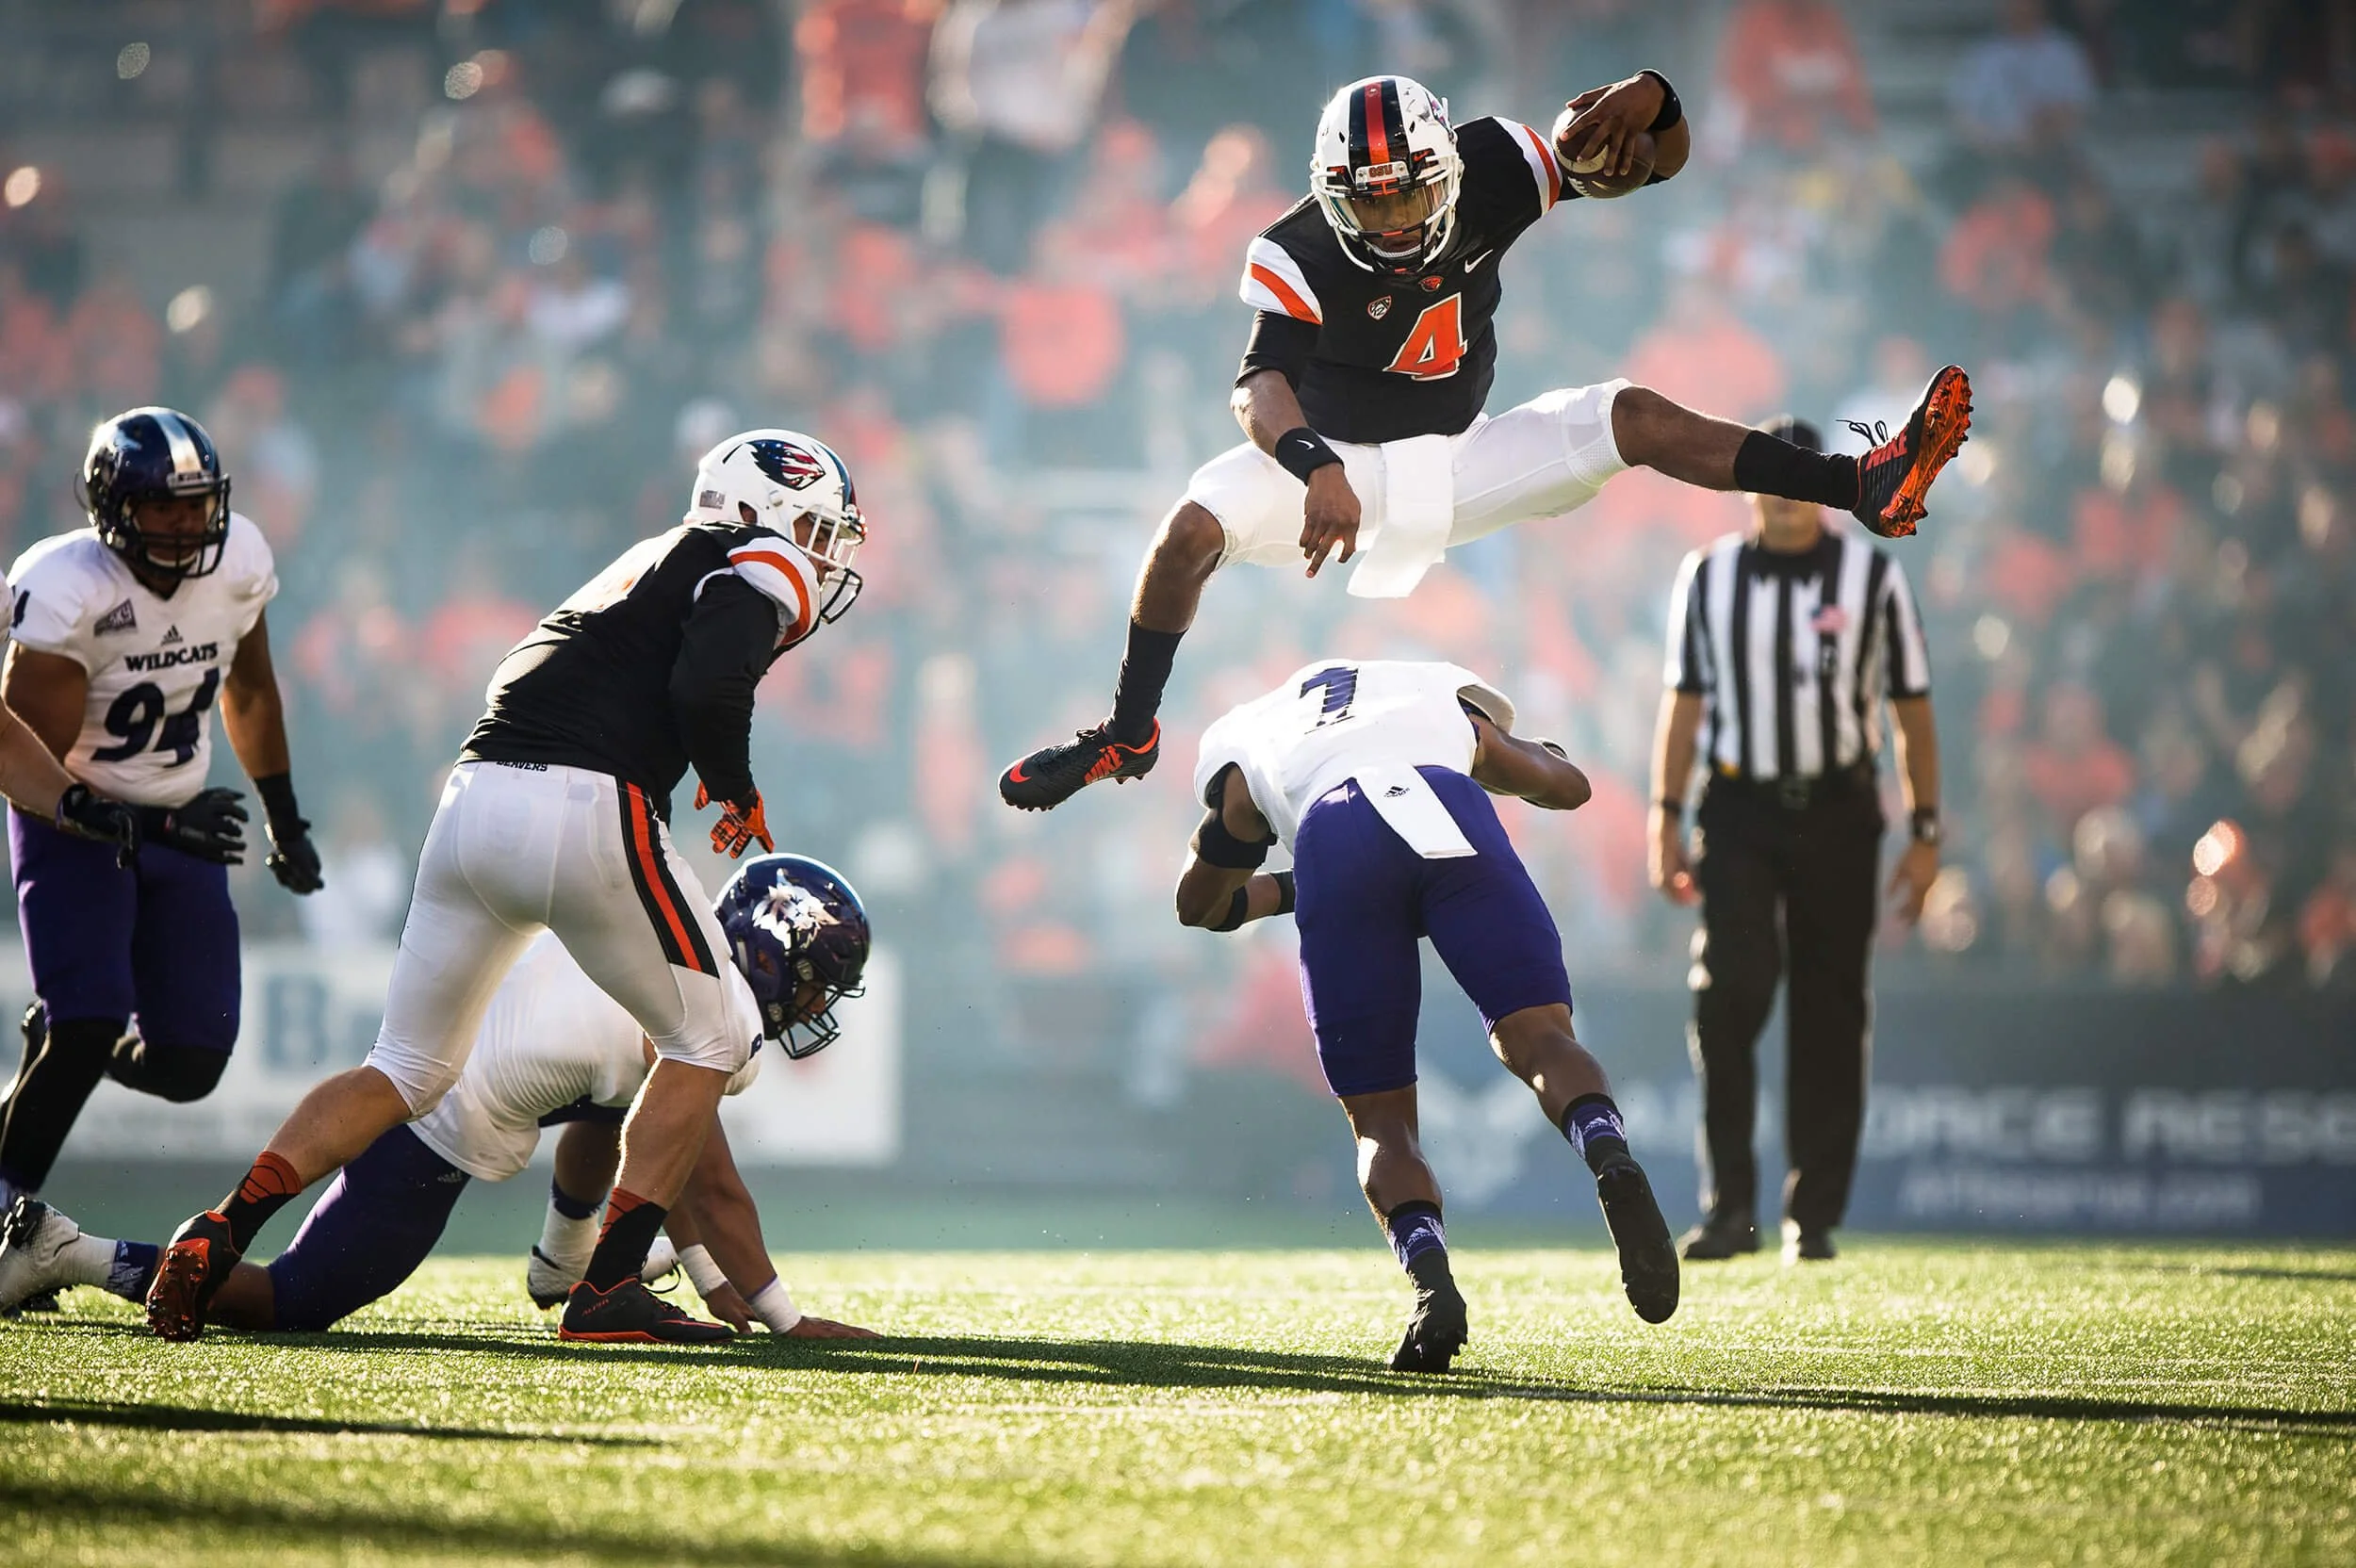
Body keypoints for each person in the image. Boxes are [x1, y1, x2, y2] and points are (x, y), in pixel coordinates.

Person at [1000, 70, 1972, 810]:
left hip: (1464, 462)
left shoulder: (1497, 163)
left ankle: (1864, 482)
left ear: (1448, 170)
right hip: (1329, 466)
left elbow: (1656, 162)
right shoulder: (1293, 248)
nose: (1390, 218)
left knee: (1628, 415)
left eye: (1407, 195)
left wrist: (1655, 97)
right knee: (1183, 535)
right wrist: (1316, 466)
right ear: (1331, 193)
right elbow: (1258, 386)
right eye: (1368, 200)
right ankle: (1127, 734)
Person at [145, 431, 870, 1346]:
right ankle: (604, 1287)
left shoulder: (642, 562)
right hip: (581, 797)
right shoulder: (751, 561)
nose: (818, 549)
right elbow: (709, 682)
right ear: (754, 510)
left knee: (402, 1069)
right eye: (809, 523)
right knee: (713, 1032)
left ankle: (223, 1224)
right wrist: (733, 786)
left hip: (473, 796)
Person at [0, 855, 875, 1338]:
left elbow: (648, 1137)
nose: (817, 1002)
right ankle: (68, 1251)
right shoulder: (719, 1019)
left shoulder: (671, 923)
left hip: (449, 1048)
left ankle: (565, 1265)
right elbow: (702, 1179)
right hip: (444, 1125)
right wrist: (777, 1314)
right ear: (772, 948)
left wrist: (682, 1270)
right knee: (292, 1302)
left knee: (619, 1102)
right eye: (820, 976)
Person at [1176, 658, 1678, 1372]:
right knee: (1537, 1038)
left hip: (1331, 837)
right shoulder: (1431, 692)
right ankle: (1608, 1152)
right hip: (1447, 806)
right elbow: (1570, 788)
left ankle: (1433, 1288)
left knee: (1381, 1122)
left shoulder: (1250, 736)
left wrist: (1302, 884)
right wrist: (1520, 757)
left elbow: (1202, 905)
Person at [0, 407, 319, 1214]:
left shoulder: (239, 556)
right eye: (162, 507)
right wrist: (144, 825)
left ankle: (60, 1037)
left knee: (191, 1061)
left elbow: (249, 686)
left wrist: (282, 815)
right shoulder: (67, 587)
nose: (186, 526)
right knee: (90, 1021)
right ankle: (9, 1206)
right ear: (113, 509)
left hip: (182, 813)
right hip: (71, 818)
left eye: (198, 505)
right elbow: (25, 754)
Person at [1647, 416, 1942, 1265]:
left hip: (1841, 813)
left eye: (1798, 479)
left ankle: (1812, 1213)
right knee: (1727, 994)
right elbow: (1685, 700)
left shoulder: (1872, 575)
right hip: (1738, 808)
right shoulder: (1708, 577)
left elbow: (1911, 709)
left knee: (1831, 1003)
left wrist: (1926, 831)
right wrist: (1663, 816)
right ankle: (1728, 1207)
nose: (1781, 495)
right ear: (1748, 488)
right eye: (1769, 479)